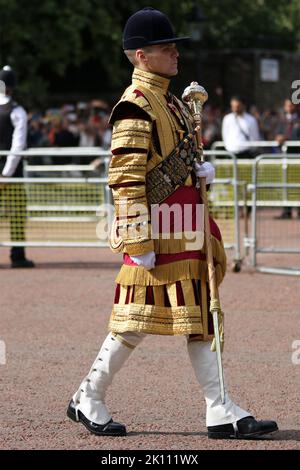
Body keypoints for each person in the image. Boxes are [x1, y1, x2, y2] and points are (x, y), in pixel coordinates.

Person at [67, 7, 278, 439]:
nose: (175, 55)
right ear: (141, 56)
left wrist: (197, 174)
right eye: (166, 48)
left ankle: (219, 407)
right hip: (156, 229)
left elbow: (171, 161)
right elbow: (125, 179)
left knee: (200, 313)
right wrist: (137, 237)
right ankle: (88, 395)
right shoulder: (135, 106)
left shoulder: (173, 102)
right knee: (134, 317)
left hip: (185, 225)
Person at [0, 65, 34, 268]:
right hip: (12, 174)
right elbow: (18, 145)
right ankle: (17, 255)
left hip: (6, 171)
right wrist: (6, 173)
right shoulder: (17, 110)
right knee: (17, 214)